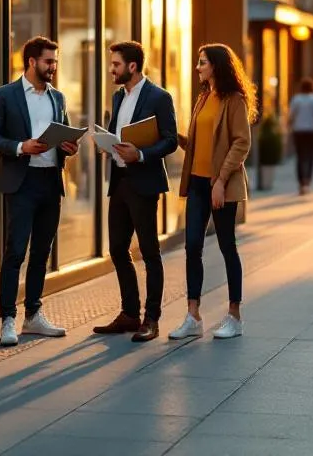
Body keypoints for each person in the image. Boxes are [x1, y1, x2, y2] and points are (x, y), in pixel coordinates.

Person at [0, 36, 79, 347]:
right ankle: (7, 319)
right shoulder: (5, 95)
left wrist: (70, 146)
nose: (53, 66)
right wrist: (19, 146)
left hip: (50, 182)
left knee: (42, 253)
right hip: (21, 184)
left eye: (55, 61)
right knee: (15, 253)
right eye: (48, 61)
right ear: (31, 62)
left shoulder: (58, 98)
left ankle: (33, 315)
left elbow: (63, 133)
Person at [169, 43, 256, 341]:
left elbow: (241, 143)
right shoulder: (203, 98)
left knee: (227, 247)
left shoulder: (234, 101)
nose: (197, 68)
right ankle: (193, 315)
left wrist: (219, 180)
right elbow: (199, 143)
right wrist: (175, 137)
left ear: (216, 66)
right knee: (192, 245)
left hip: (221, 186)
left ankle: (235, 315)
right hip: (197, 183)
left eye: (202, 62)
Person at [93, 41, 178, 343]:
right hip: (120, 182)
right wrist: (107, 144)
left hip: (144, 183)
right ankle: (130, 313)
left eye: (115, 64)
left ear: (132, 66)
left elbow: (170, 140)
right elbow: (118, 132)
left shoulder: (159, 97)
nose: (111, 70)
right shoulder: (118, 97)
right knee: (117, 248)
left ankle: (151, 319)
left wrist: (139, 155)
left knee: (150, 253)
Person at [288, 78, 313, 194]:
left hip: (299, 131)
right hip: (311, 131)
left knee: (300, 157)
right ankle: (307, 181)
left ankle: (301, 182)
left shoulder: (296, 99)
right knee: (310, 156)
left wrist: (288, 128)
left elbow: (291, 116)